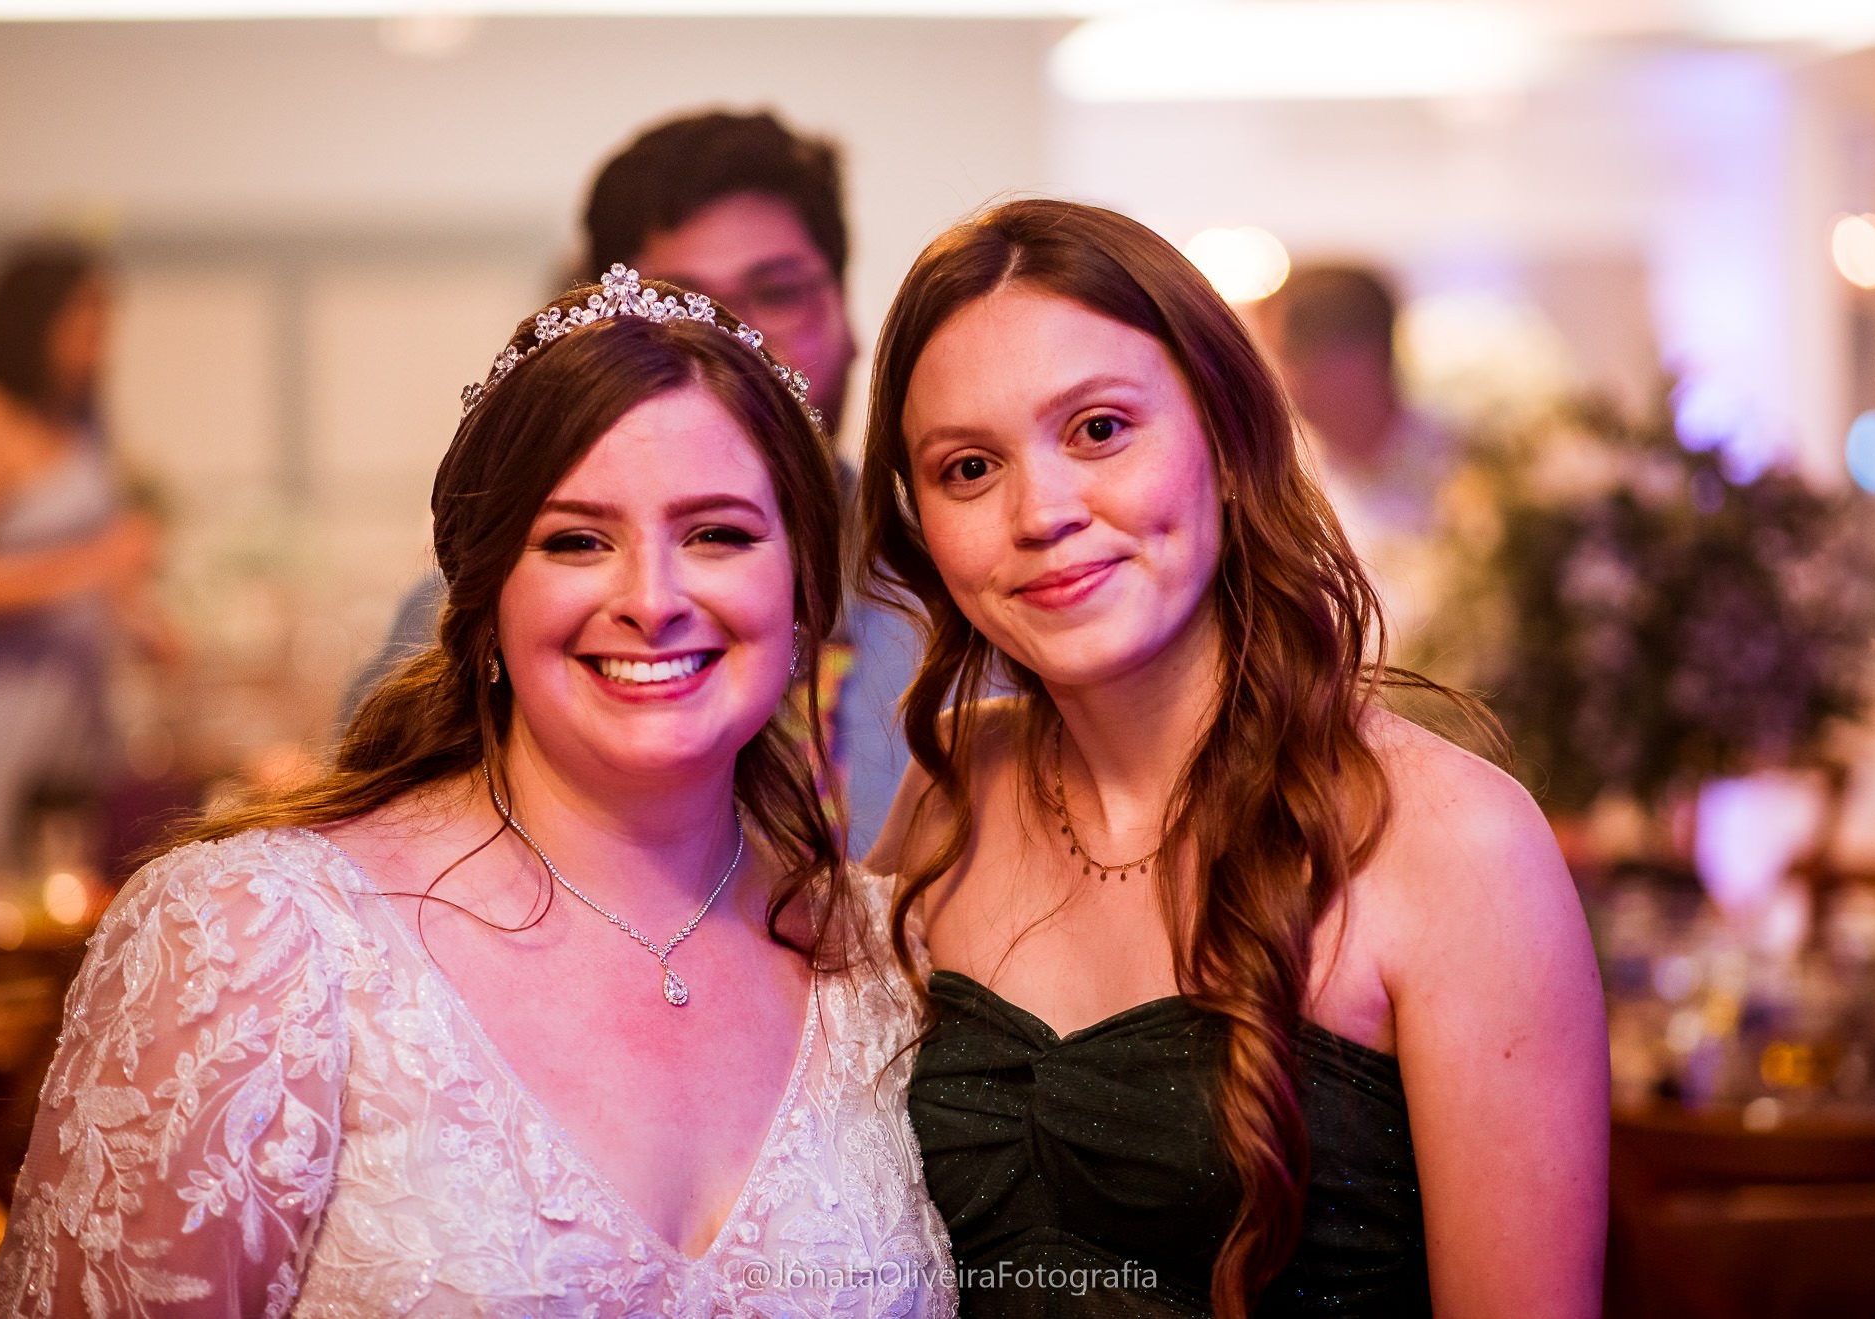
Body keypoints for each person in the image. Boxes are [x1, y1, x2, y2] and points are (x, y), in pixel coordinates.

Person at [0, 270, 954, 1317]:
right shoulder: (254, 940)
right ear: (484, 600)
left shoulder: (884, 958)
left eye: (716, 533)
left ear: (806, 593)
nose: (652, 599)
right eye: (576, 539)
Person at [859, 201, 1607, 1317]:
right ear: (919, 519)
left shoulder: (1456, 845)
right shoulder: (949, 790)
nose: (1041, 510)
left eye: (1099, 428)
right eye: (968, 467)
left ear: (1223, 435)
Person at [348, 110, 917, 851]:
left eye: (776, 293)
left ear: (848, 315)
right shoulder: (471, 615)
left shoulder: (961, 597)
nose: (734, 345)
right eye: (683, 304)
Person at [0, 242, 164, 892]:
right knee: (1, 887)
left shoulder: (81, 417)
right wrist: (90, 563)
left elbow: (100, 561)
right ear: (33, 321)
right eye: (83, 316)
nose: (98, 336)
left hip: (79, 699)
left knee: (79, 880)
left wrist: (146, 623)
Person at [1265, 266, 1459, 656]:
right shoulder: (1282, 482)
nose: (1281, 379)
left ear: (1356, 359)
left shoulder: (1464, 464)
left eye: (1289, 356)